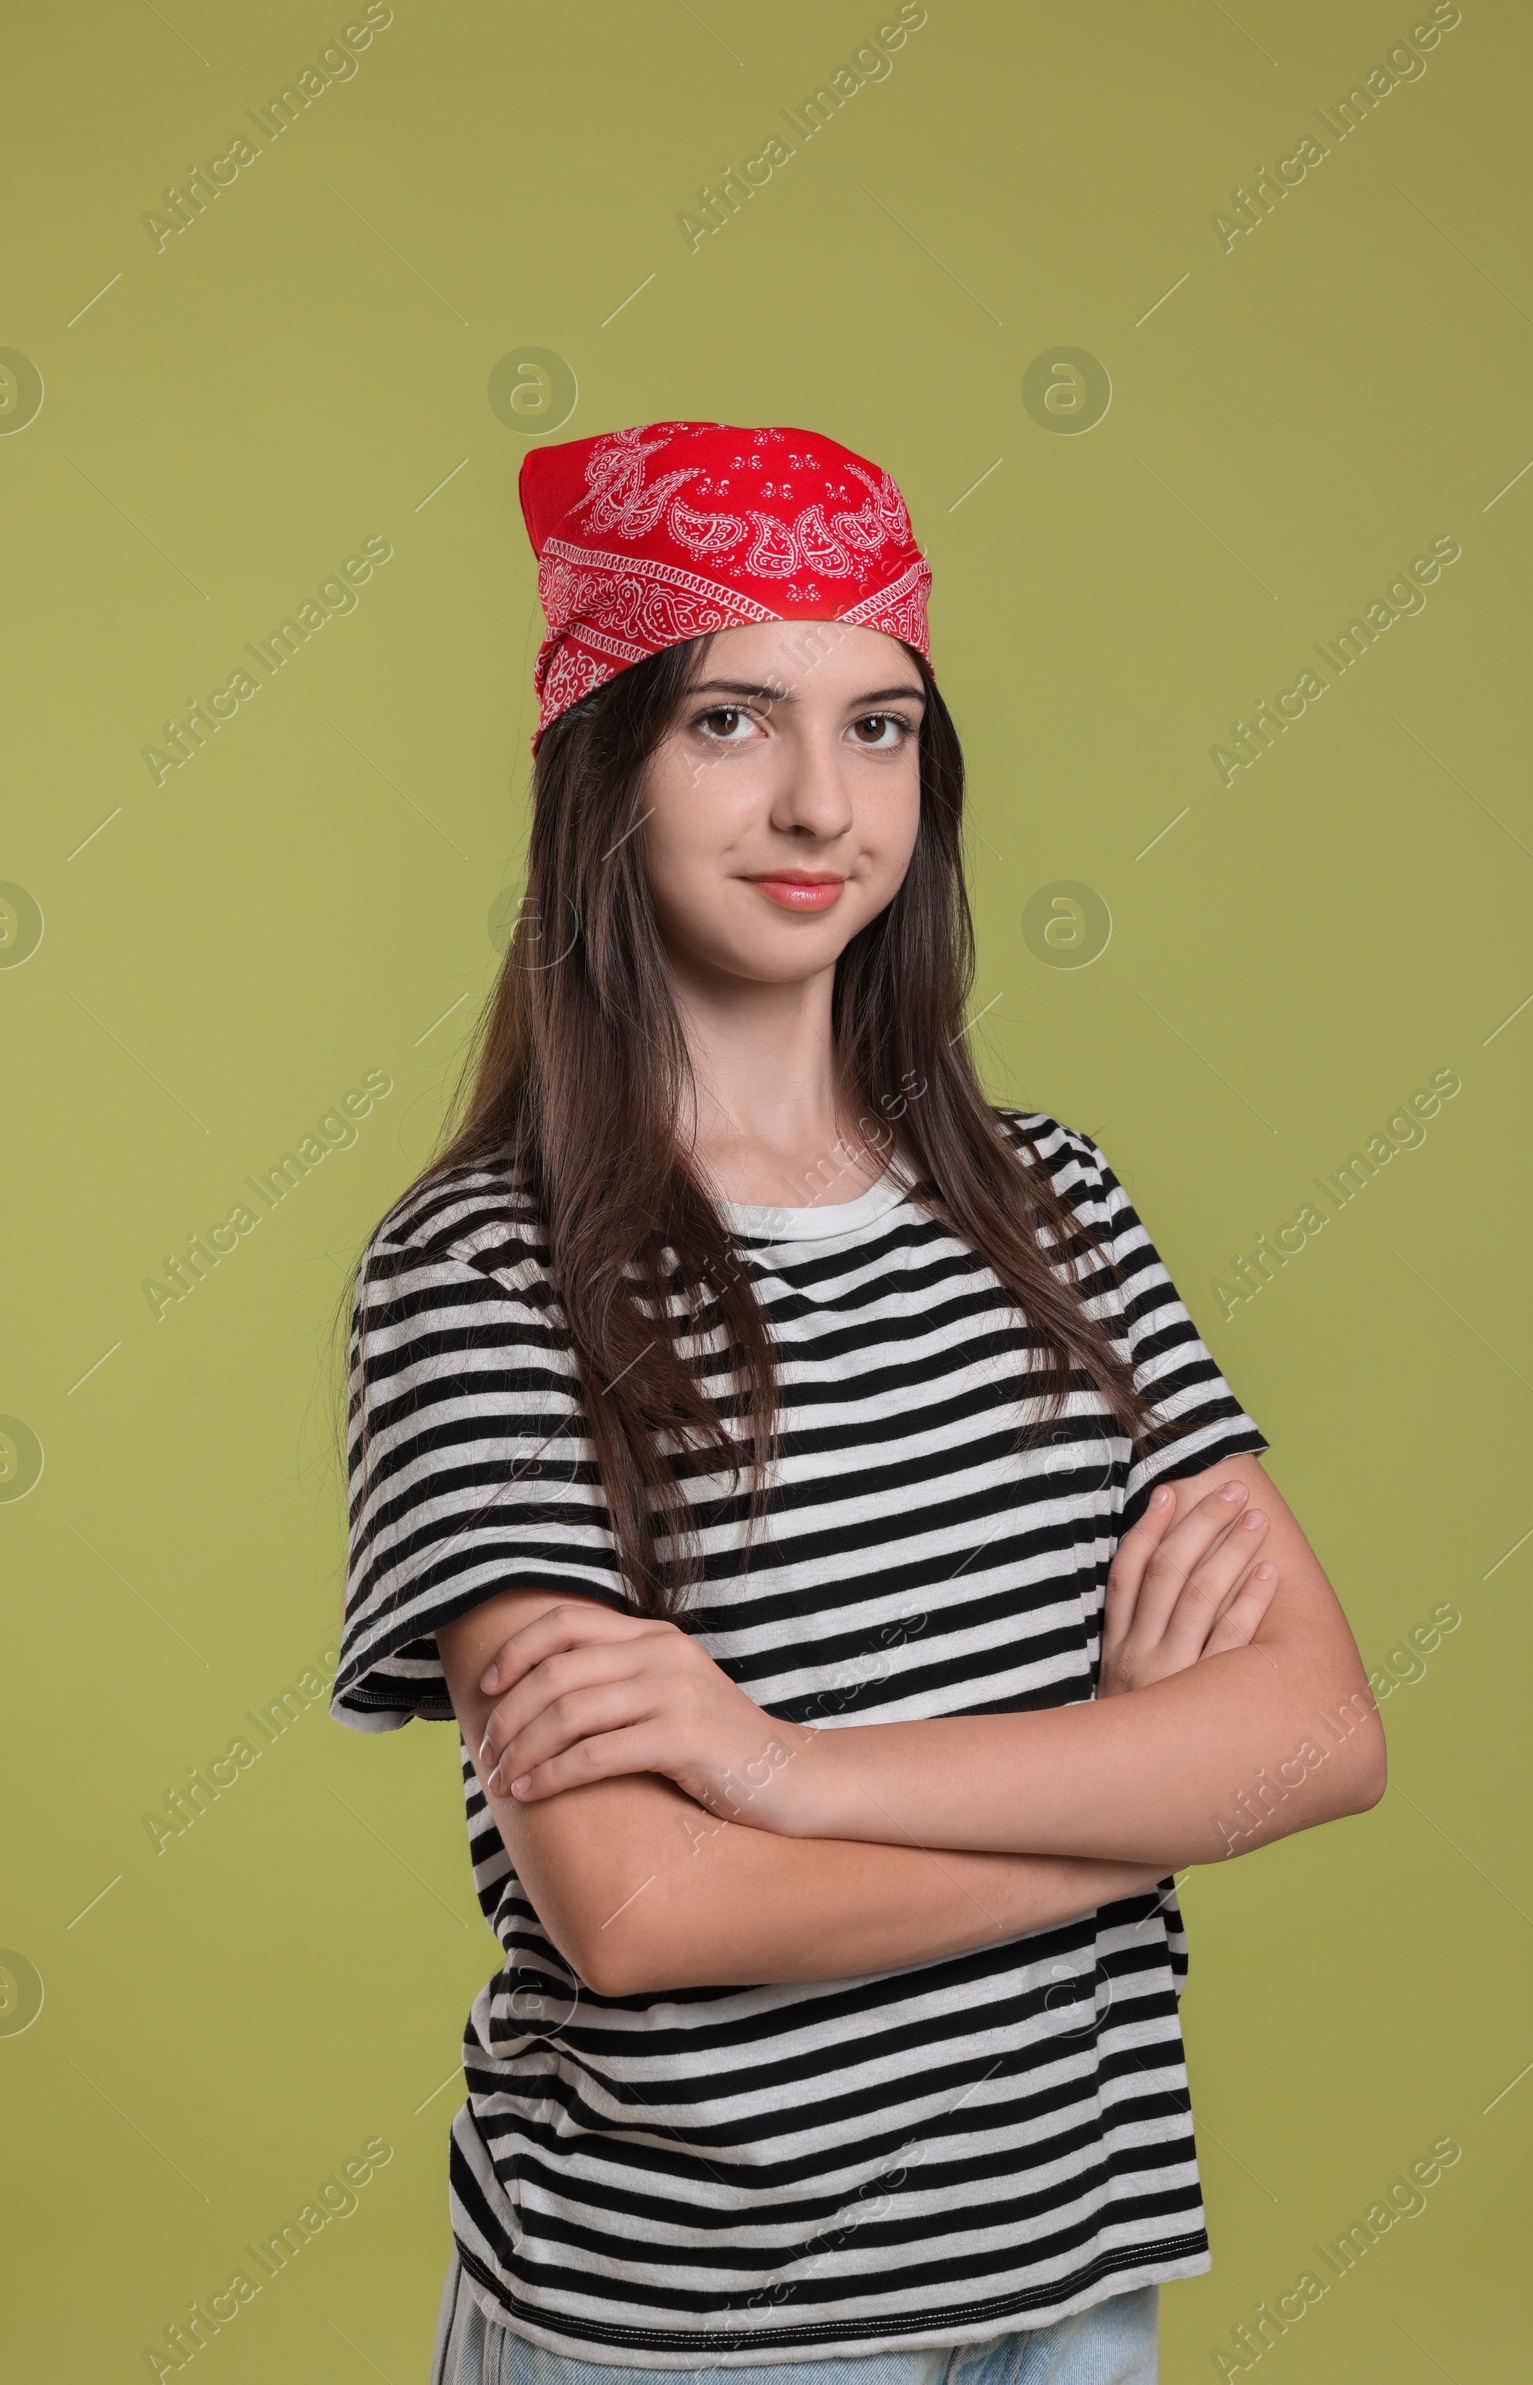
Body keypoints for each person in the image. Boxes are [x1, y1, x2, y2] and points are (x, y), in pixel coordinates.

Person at [331, 420, 1386, 2385]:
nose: (821, 800)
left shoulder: (1050, 1203)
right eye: (733, 719)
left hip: (1065, 2269)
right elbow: (641, 1902)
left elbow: (1313, 1733)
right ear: (603, 768)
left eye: (879, 726)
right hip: (693, 2317)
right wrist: (1128, 1785)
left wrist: (787, 1769)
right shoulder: (489, 1272)